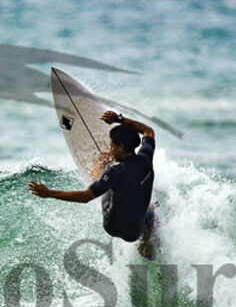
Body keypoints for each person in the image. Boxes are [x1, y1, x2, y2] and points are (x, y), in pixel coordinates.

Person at [28, 111, 158, 260]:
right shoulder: (146, 157)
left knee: (103, 178)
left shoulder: (114, 171)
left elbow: (86, 197)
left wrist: (49, 193)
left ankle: (97, 173)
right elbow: (148, 131)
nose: (110, 149)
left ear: (121, 147)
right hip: (133, 233)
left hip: (112, 226)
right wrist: (120, 119)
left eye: (112, 146)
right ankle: (145, 246)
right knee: (151, 209)